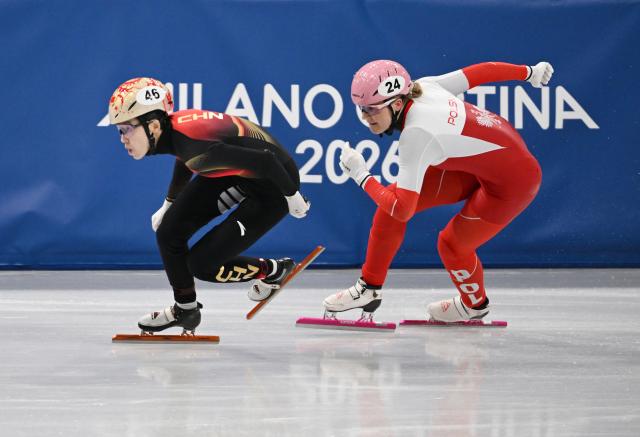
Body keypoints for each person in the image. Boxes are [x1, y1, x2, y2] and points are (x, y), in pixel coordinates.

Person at [323, 60, 553, 322]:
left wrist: (361, 175)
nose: (366, 117)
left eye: (372, 109)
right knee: (387, 207)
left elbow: (403, 209)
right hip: (482, 164)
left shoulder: (417, 134)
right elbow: (482, 71)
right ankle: (368, 288)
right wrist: (528, 72)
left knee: (450, 245)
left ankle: (474, 305)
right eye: (361, 109)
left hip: (515, 183)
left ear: (397, 103)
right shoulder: (425, 86)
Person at [108, 77, 310, 334]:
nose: (122, 138)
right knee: (169, 233)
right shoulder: (178, 135)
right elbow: (186, 159)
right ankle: (186, 310)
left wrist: (293, 197)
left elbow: (268, 162)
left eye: (126, 129)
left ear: (154, 126)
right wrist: (169, 203)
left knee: (201, 265)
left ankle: (274, 270)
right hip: (237, 173)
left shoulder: (198, 148)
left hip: (274, 185)